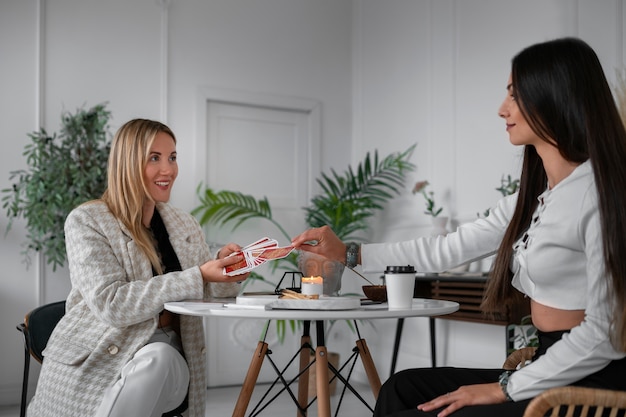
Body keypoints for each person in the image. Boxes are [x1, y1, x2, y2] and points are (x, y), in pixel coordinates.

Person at [291, 37, 626, 417]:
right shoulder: (536, 194)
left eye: (516, 96)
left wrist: (505, 387)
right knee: (402, 388)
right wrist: (348, 252)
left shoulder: (599, 194)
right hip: (551, 359)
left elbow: (604, 334)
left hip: (588, 373)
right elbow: (447, 247)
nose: (503, 110)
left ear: (554, 96)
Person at [27, 119, 250, 417]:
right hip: (101, 358)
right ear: (128, 163)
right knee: (156, 360)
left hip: (167, 361)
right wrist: (199, 275)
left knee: (160, 358)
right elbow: (112, 304)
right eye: (154, 158)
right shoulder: (87, 220)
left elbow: (208, 289)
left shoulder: (183, 223)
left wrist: (225, 268)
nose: (168, 170)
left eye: (172, 157)